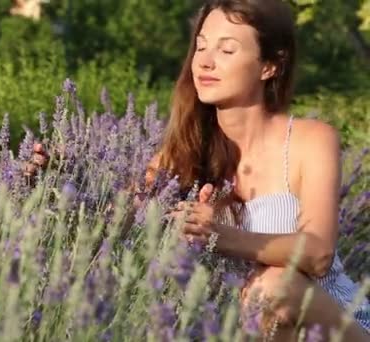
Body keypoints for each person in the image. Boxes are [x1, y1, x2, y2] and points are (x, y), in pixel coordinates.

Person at [23, 0, 370, 340]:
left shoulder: (311, 140)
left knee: (274, 287)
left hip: (338, 326)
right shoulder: (183, 152)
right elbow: (115, 223)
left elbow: (318, 253)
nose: (204, 61)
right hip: (244, 331)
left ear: (270, 65)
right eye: (201, 47)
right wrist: (65, 182)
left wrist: (217, 234)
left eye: (226, 50)